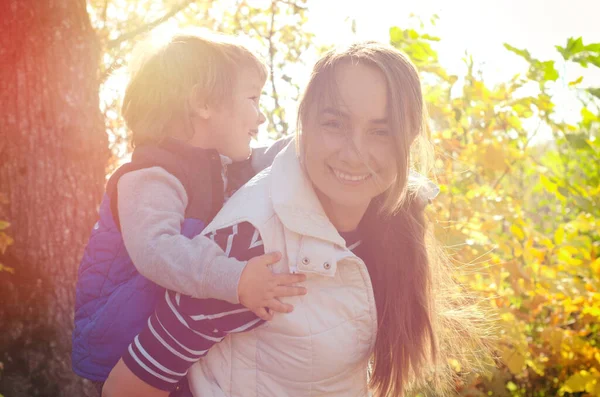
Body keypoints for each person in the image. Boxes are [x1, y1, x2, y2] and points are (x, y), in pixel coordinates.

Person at [103, 41, 487, 397]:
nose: (355, 153)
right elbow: (124, 390)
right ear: (303, 123)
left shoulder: (393, 215)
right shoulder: (250, 251)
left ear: (410, 135)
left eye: (381, 131)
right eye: (334, 123)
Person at [71, 30, 307, 393]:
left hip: (172, 345)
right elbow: (158, 250)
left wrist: (321, 140)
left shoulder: (218, 167)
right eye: (252, 98)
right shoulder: (150, 176)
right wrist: (236, 279)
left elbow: (272, 157)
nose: (259, 117)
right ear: (203, 103)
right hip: (124, 342)